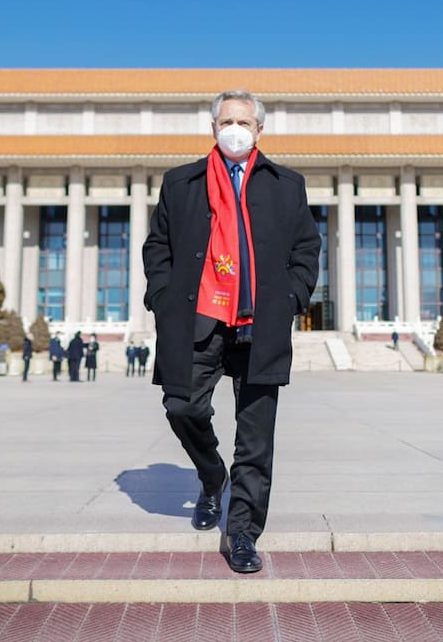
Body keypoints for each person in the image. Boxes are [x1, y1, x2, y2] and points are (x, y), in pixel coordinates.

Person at [143, 89, 320, 573]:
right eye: (226, 122)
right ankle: (210, 475)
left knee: (256, 439)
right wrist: (161, 299)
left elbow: (307, 248)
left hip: (260, 325)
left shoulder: (286, 184)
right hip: (198, 320)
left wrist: (292, 298)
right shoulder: (181, 183)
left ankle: (242, 532)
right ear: (213, 128)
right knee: (182, 406)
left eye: (244, 121)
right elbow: (157, 247)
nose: (235, 129)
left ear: (260, 129)